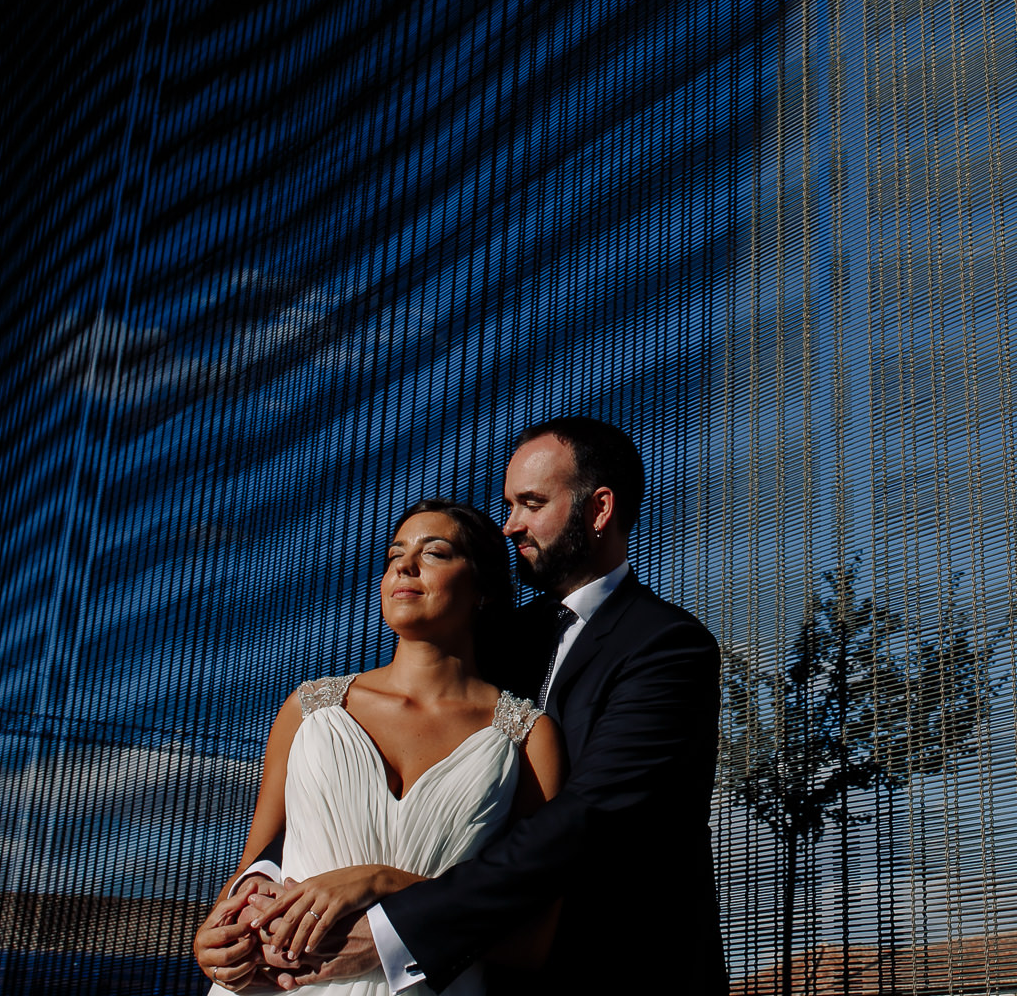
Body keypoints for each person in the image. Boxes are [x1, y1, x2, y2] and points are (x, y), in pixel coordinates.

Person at [203, 417, 728, 996]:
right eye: (508, 505)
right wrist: (246, 900)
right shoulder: (490, 645)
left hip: (613, 970)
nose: (511, 526)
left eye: (531, 503)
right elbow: (308, 815)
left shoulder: (667, 646)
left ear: (599, 509)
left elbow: (589, 818)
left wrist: (390, 905)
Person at [193, 499, 564, 995]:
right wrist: (215, 941)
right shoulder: (309, 711)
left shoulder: (526, 737)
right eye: (395, 555)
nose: (405, 565)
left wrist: (385, 881)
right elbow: (250, 872)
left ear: (483, 589)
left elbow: (531, 940)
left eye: (434, 552)